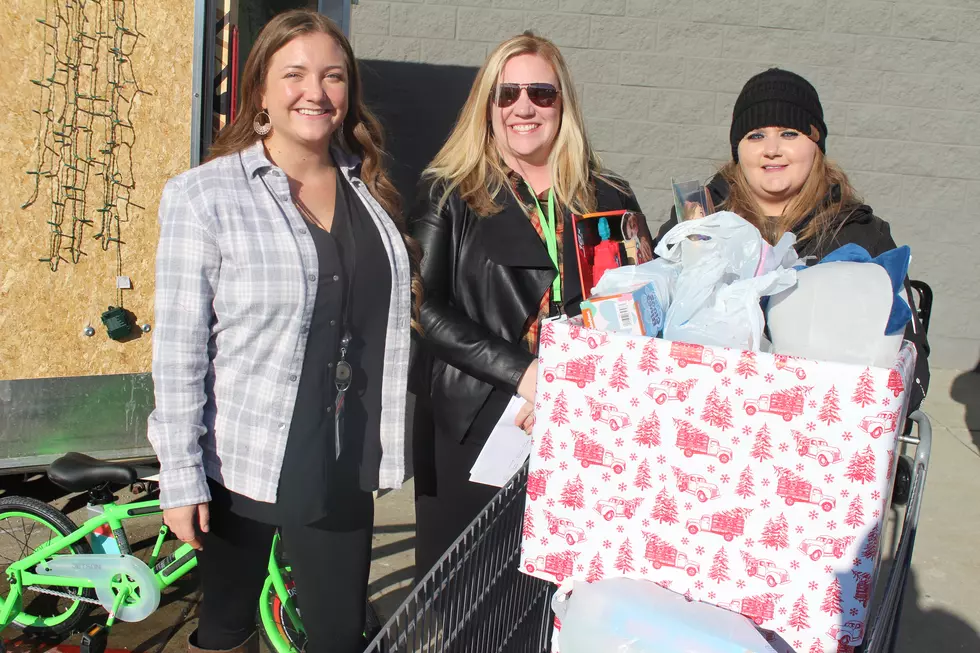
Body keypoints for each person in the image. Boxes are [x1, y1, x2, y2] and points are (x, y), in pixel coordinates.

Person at [147, 10, 421, 653]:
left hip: (342, 458)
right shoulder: (205, 196)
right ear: (261, 92)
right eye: (294, 74)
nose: (315, 92)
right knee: (226, 628)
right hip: (239, 461)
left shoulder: (370, 190)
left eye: (332, 76)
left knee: (336, 636)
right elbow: (180, 349)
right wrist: (180, 475)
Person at [409, 31, 655, 581]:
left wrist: (577, 386)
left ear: (562, 103)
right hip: (475, 420)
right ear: (487, 105)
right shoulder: (450, 191)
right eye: (507, 93)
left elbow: (644, 306)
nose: (524, 107)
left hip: (584, 417)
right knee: (470, 593)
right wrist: (526, 375)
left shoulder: (607, 195)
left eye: (541, 93)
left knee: (557, 589)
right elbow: (420, 307)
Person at [654, 68, 930, 411]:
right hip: (701, 412)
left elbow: (910, 364)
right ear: (737, 148)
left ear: (816, 145)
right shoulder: (697, 220)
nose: (771, 149)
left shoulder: (858, 234)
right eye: (755, 135)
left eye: (789, 133)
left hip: (817, 427)